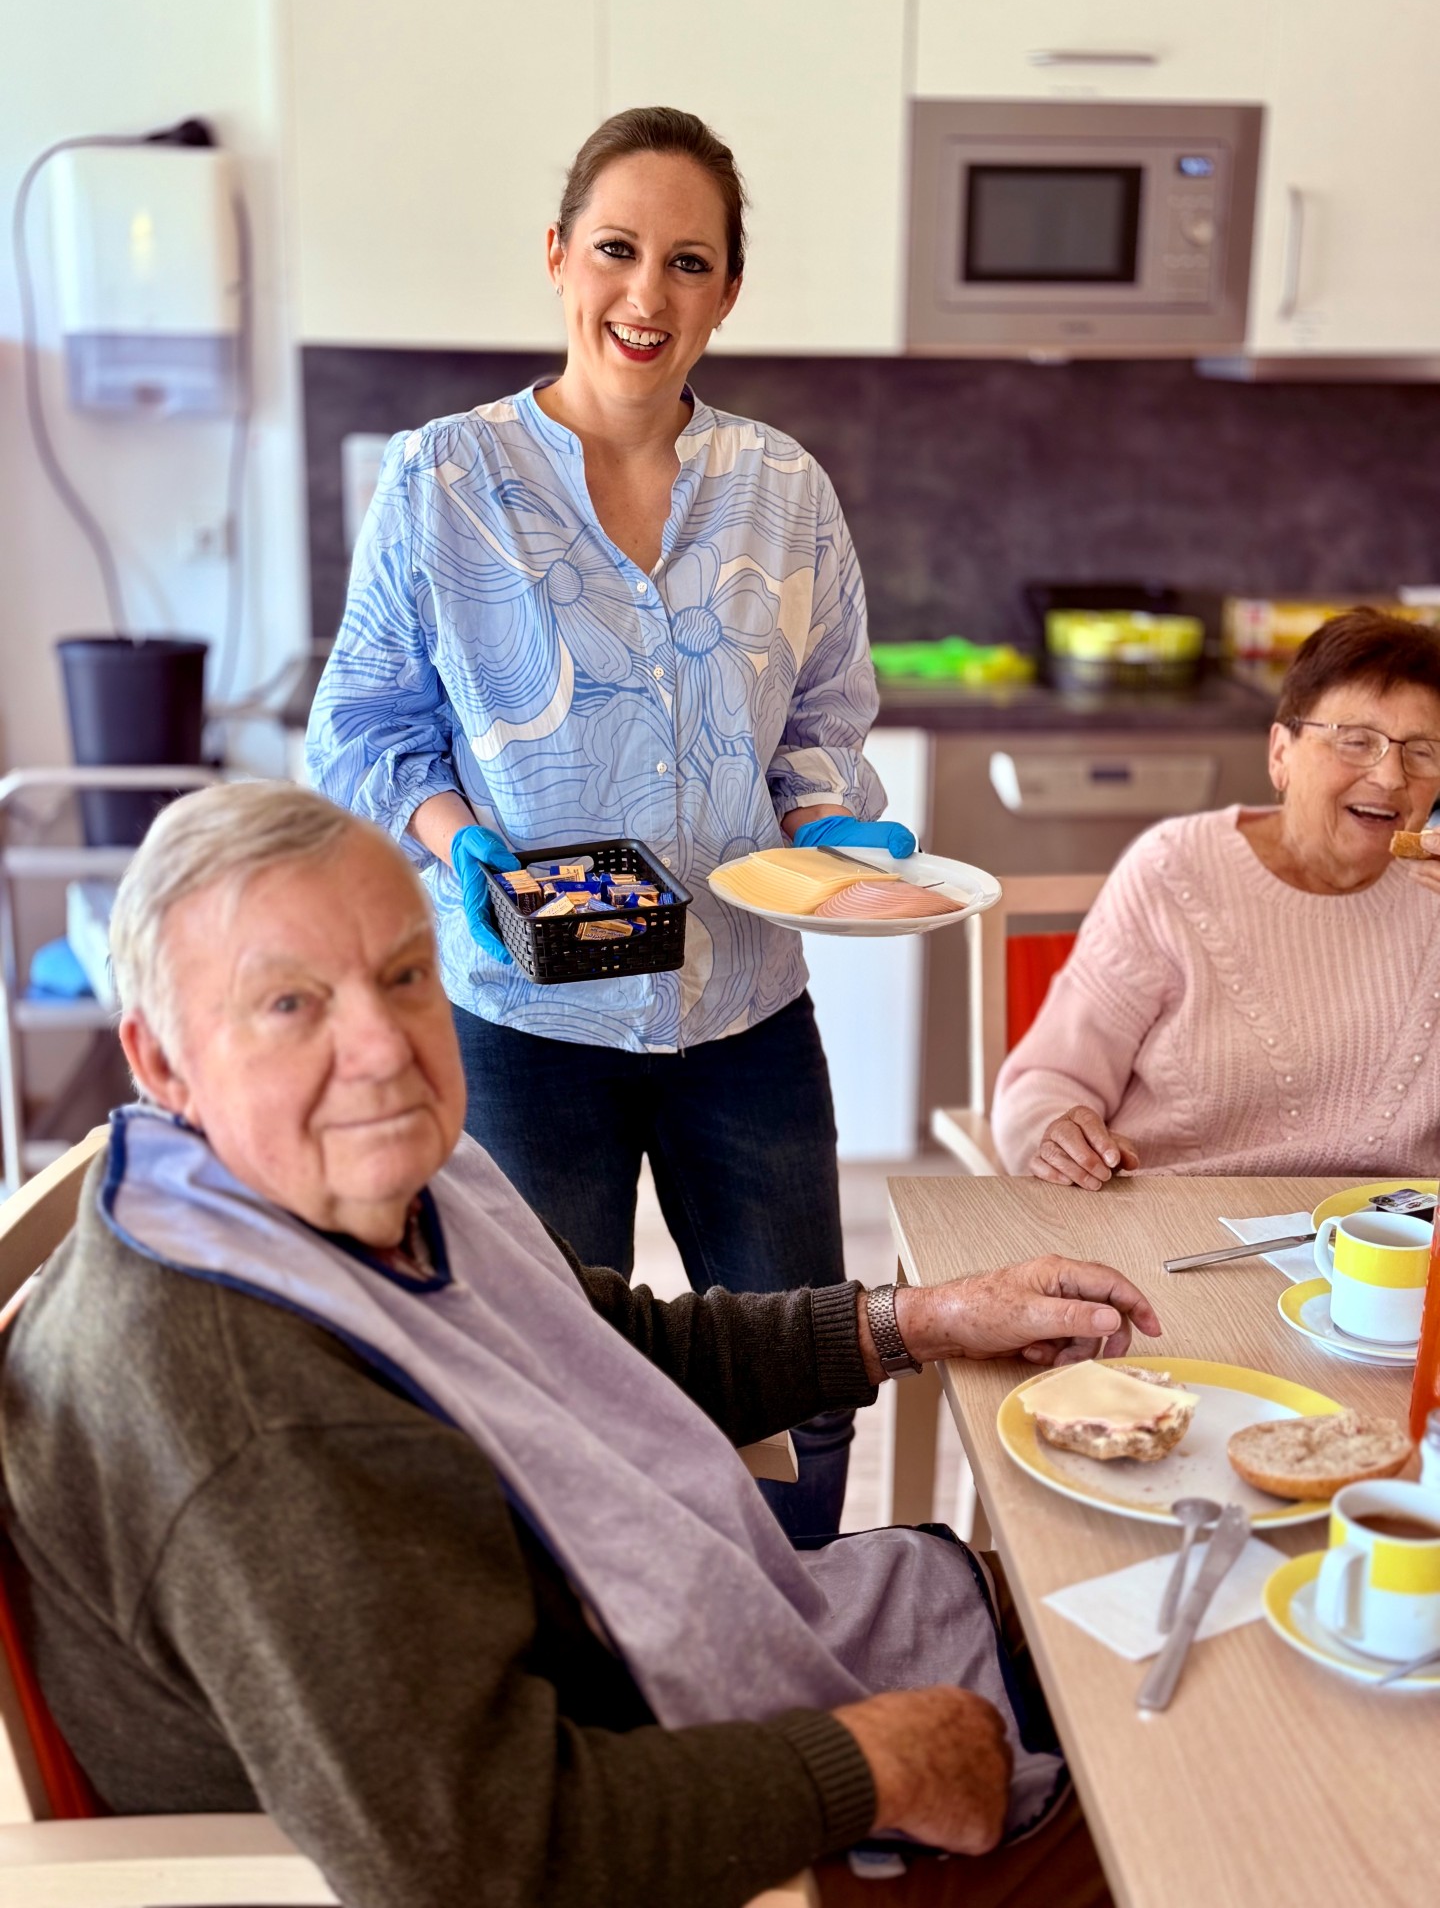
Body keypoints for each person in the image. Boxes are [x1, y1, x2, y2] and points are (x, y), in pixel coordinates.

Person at [0, 783, 1154, 1908]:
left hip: (645, 1683)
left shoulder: (364, 1180)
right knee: (1202, 1814)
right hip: (640, 1819)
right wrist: (877, 1765)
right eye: (290, 1005)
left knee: (1143, 1630)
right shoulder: (250, 1410)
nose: (383, 1049)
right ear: (158, 1063)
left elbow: (613, 1343)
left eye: (405, 976)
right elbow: (486, 1855)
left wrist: (923, 1318)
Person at [306, 107, 914, 1538]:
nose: (648, 296)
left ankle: (796, 1630)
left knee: (805, 1383)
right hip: (530, 1014)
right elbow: (363, 729)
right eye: (620, 250)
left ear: (728, 290)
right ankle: (603, 1669)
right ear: (560, 257)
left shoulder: (785, 491)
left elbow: (824, 721)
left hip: (747, 1012)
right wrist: (456, 833)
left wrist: (828, 823)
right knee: (537, 1378)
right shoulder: (444, 480)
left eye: (688, 262)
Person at [992, 609, 1440, 1186]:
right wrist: (1057, 1135)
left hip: (1398, 1250)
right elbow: (1048, 1080)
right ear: (1280, 752)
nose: (1390, 778)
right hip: (1175, 1234)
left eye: (1423, 752)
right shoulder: (1176, 869)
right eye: (1356, 742)